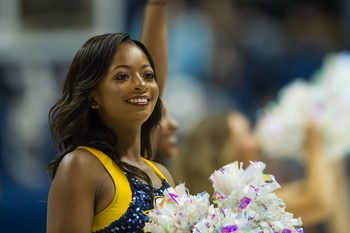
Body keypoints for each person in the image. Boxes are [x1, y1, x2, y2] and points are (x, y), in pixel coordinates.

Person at [46, 1, 175, 233]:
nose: (140, 85)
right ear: (94, 97)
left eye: (147, 75)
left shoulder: (161, 174)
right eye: (122, 77)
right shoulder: (81, 166)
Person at [175, 111, 338, 228]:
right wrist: (314, 142)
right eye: (246, 133)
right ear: (223, 151)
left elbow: (309, 191)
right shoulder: (236, 207)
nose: (256, 142)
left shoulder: (241, 199)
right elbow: (318, 202)